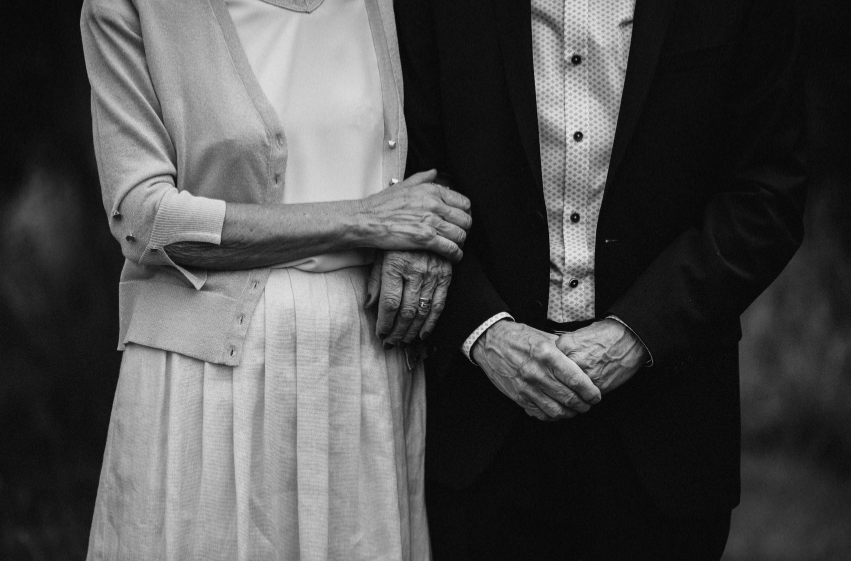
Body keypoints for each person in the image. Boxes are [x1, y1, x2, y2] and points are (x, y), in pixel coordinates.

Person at [395, 0, 807, 559]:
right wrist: (485, 333)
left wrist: (635, 334)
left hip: (666, 432)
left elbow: (766, 197)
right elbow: (405, 175)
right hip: (478, 425)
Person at [80, 0, 472, 559]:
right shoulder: (131, 8)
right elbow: (145, 219)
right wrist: (364, 219)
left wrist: (418, 238)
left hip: (362, 366)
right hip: (209, 381)